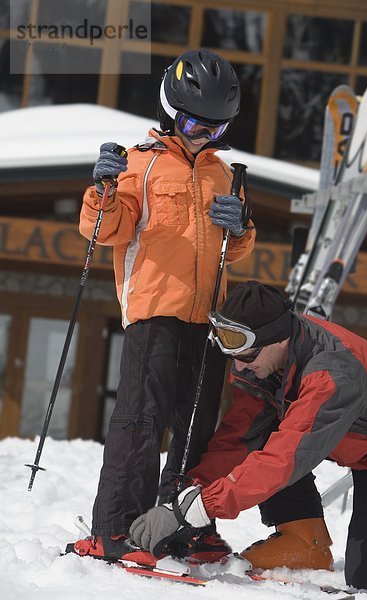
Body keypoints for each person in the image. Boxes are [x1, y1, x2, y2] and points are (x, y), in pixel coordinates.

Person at [69, 50, 255, 563]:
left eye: (215, 130)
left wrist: (240, 226)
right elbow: (106, 231)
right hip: (154, 311)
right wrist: (104, 187)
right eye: (195, 123)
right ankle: (116, 529)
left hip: (209, 318)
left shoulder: (222, 173)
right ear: (170, 110)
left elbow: (232, 249)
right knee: (141, 422)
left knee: (197, 429)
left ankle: (182, 528)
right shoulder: (140, 163)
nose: (202, 137)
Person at [129, 280, 367, 590]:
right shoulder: (268, 363)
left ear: (279, 340)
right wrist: (188, 494)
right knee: (268, 443)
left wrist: (202, 507)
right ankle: (304, 539)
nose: (239, 366)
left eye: (246, 356)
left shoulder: (331, 376)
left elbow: (284, 459)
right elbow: (240, 439)